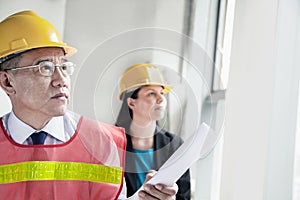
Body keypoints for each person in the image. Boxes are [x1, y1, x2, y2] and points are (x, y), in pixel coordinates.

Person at [0, 10, 178, 200]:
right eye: (45, 68)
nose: (61, 80)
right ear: (8, 82)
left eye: (63, 67)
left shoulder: (102, 141)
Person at [116, 63, 191, 199]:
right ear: (132, 103)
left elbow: (184, 196)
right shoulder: (109, 144)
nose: (161, 99)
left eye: (162, 93)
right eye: (151, 93)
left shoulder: (175, 145)